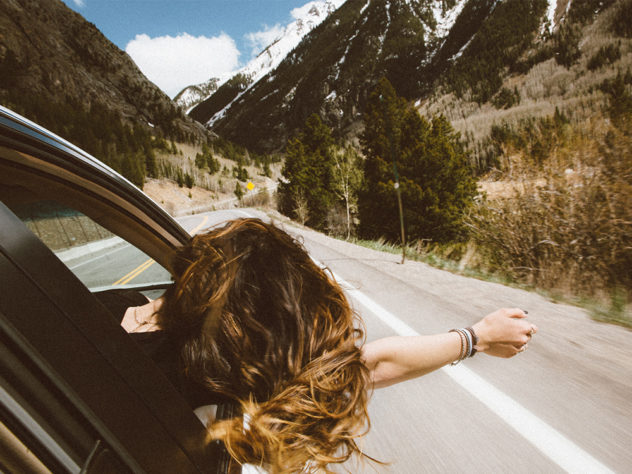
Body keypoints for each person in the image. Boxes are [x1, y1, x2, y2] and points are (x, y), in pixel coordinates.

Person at [114, 218, 537, 473]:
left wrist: (477, 338)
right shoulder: (211, 385)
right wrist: (477, 338)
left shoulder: (107, 311)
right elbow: (369, 365)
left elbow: (366, 365)